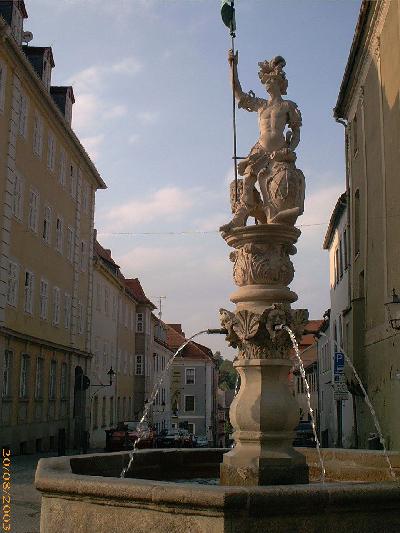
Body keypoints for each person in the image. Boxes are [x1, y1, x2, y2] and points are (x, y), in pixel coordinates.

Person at [221, 50, 304, 231]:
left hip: (279, 149)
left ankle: (273, 212)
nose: (266, 83)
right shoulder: (260, 105)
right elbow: (238, 92)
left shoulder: (288, 106)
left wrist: (289, 149)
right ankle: (240, 217)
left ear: (279, 83)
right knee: (248, 179)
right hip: (260, 148)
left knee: (279, 182)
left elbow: (296, 132)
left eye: (270, 80)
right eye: (265, 80)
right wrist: (233, 66)